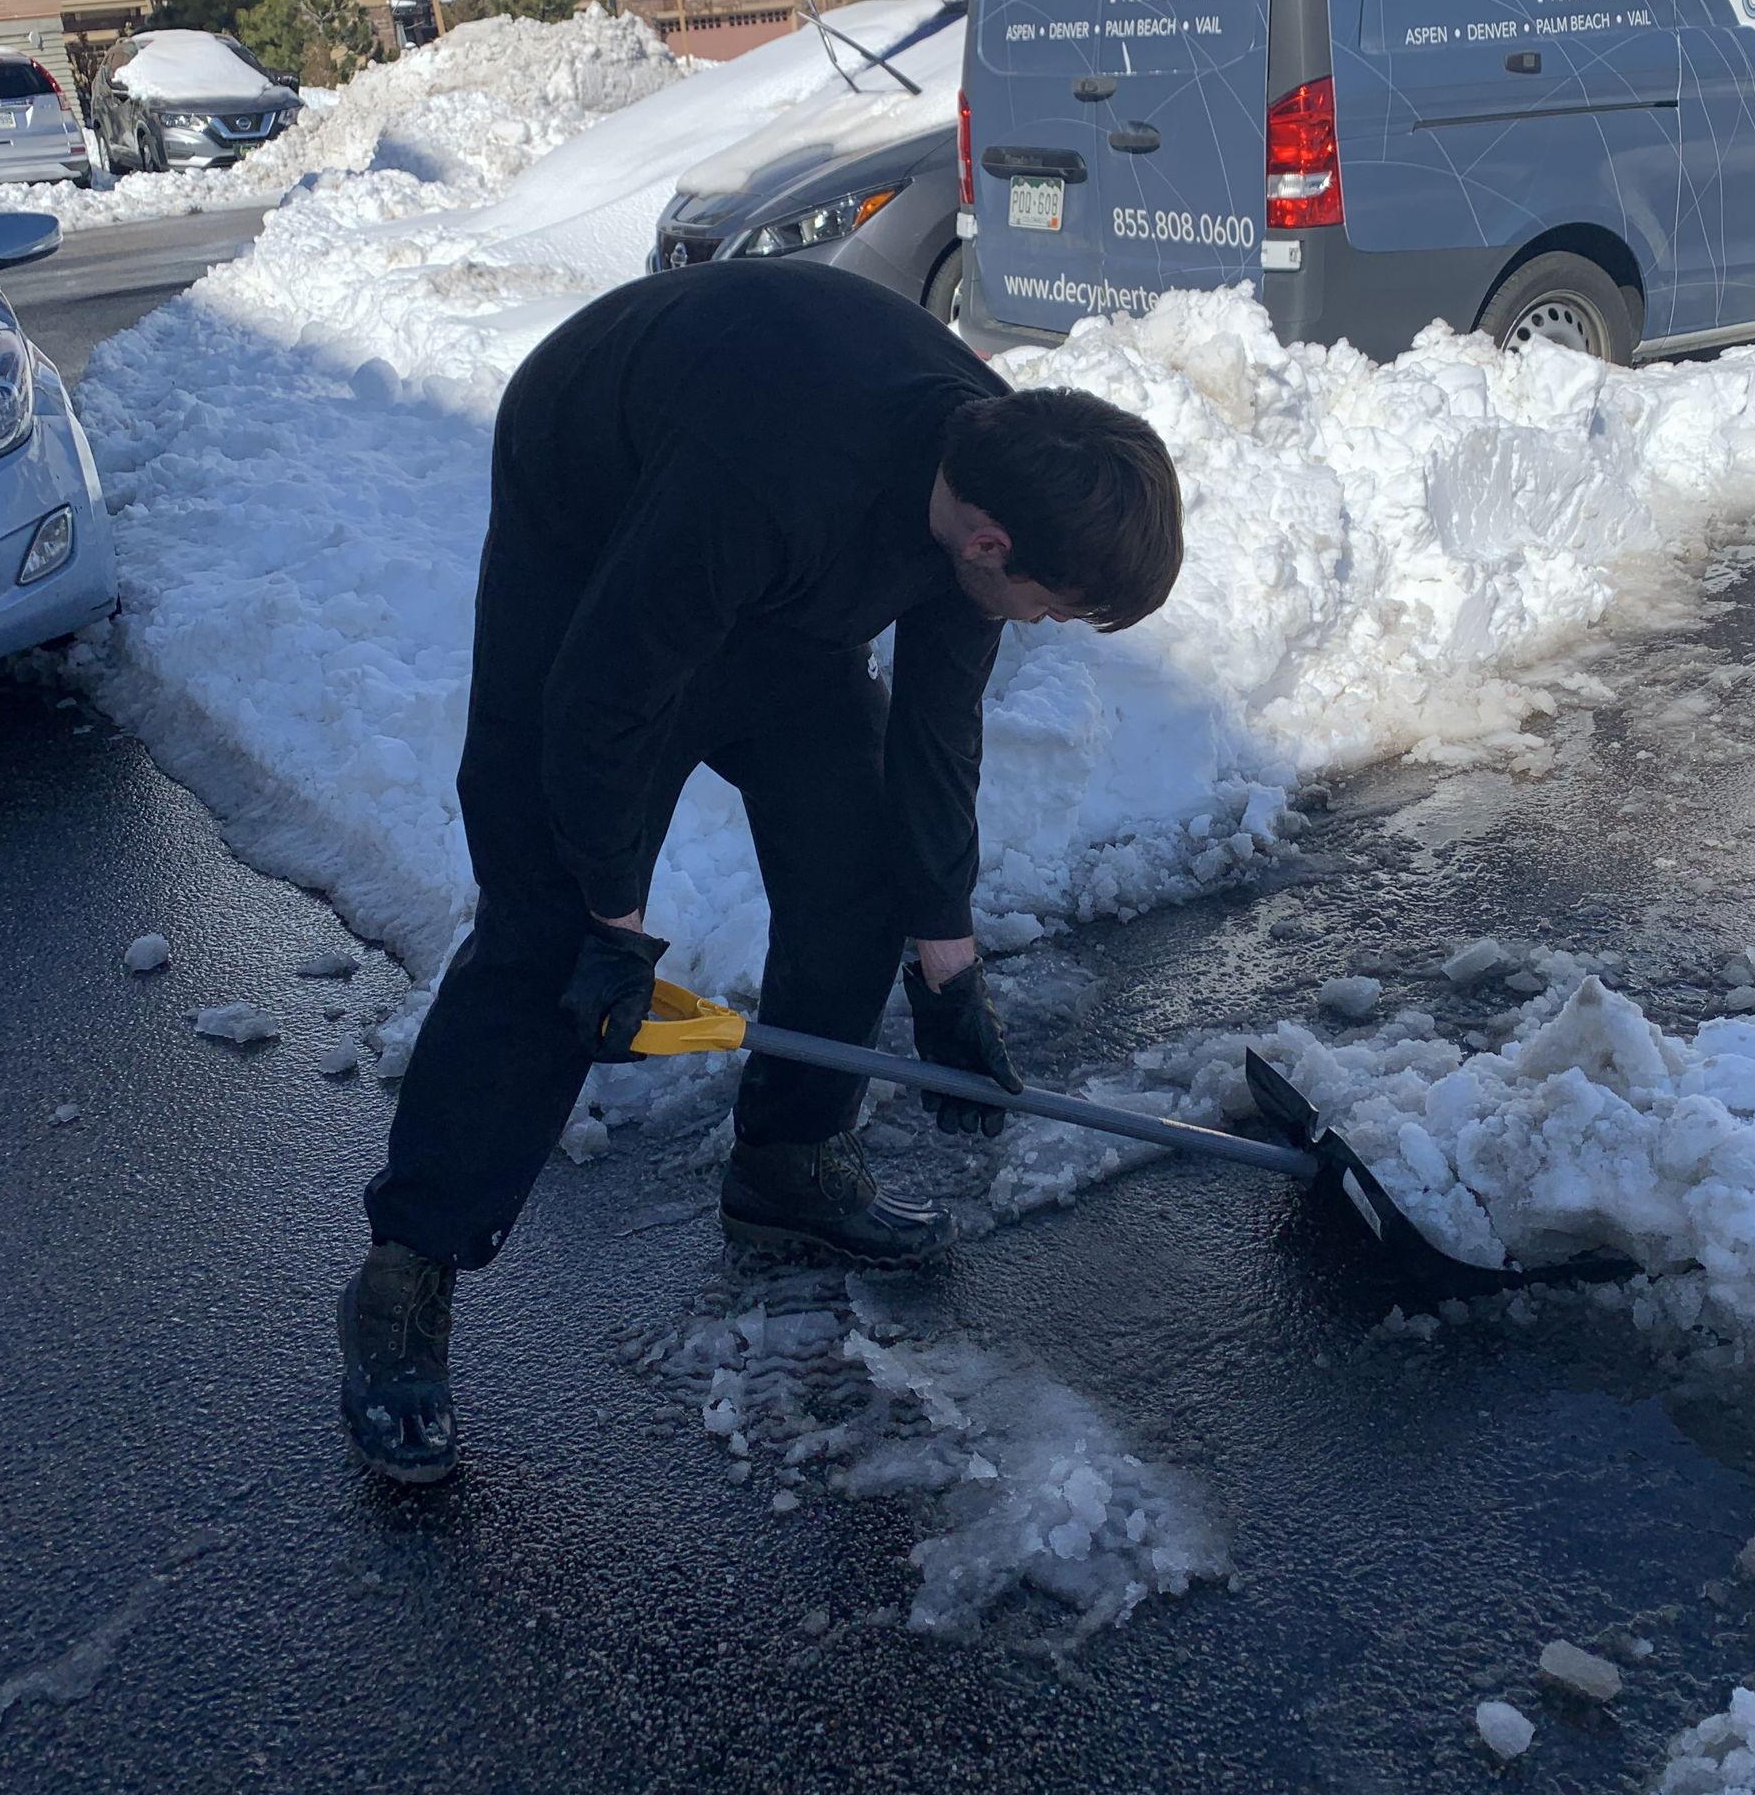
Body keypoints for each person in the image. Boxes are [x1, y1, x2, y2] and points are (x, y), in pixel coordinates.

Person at [337, 263, 1184, 1484]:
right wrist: (612, 927)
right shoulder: (774, 476)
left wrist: (945, 965)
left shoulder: (995, 477)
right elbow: (601, 700)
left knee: (856, 868)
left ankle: (788, 1166)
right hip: (595, 529)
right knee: (544, 933)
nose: (1042, 622)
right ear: (992, 545)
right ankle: (403, 1275)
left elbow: (936, 732)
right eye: (1049, 605)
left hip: (763, 575)